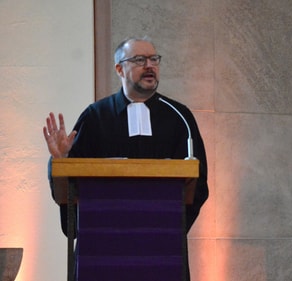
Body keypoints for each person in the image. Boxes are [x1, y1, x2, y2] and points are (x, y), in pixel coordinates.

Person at [43, 36, 208, 280]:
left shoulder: (178, 116)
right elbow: (71, 187)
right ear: (119, 68)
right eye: (140, 60)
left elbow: (198, 183)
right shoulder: (96, 116)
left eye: (154, 59)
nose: (150, 65)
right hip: (101, 247)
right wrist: (62, 159)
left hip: (162, 249)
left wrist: (171, 230)